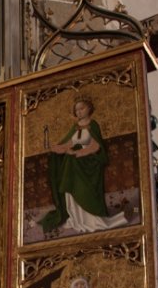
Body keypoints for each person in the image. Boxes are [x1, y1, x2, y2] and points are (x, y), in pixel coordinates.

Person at [39, 97, 128, 235]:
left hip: (89, 163)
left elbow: (95, 146)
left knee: (72, 163)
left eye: (82, 108)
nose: (79, 112)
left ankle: (91, 219)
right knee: (68, 164)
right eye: (76, 110)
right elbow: (68, 144)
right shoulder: (76, 127)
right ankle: (76, 218)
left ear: (89, 108)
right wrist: (54, 148)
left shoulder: (93, 125)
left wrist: (78, 153)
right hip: (75, 163)